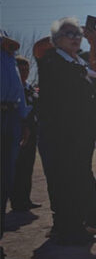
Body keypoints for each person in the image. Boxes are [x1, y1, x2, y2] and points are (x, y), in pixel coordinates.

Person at [36, 18, 96, 245]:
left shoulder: (81, 62)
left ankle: (84, 223)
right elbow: (38, 48)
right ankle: (66, 226)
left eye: (77, 34)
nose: (75, 38)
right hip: (58, 132)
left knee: (81, 176)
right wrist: (57, 40)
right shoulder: (50, 60)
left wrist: (93, 41)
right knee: (61, 178)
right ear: (56, 40)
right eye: (69, 34)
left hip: (81, 131)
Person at [1, 30, 30, 259]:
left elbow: (18, 89)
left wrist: (23, 118)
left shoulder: (8, 53)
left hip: (10, 115)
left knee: (5, 182)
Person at [10, 57, 42, 211]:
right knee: (17, 166)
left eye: (27, 69)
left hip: (33, 129)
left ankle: (25, 198)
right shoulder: (13, 88)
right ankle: (16, 201)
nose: (25, 72)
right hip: (18, 130)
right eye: (21, 69)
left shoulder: (30, 88)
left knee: (28, 166)